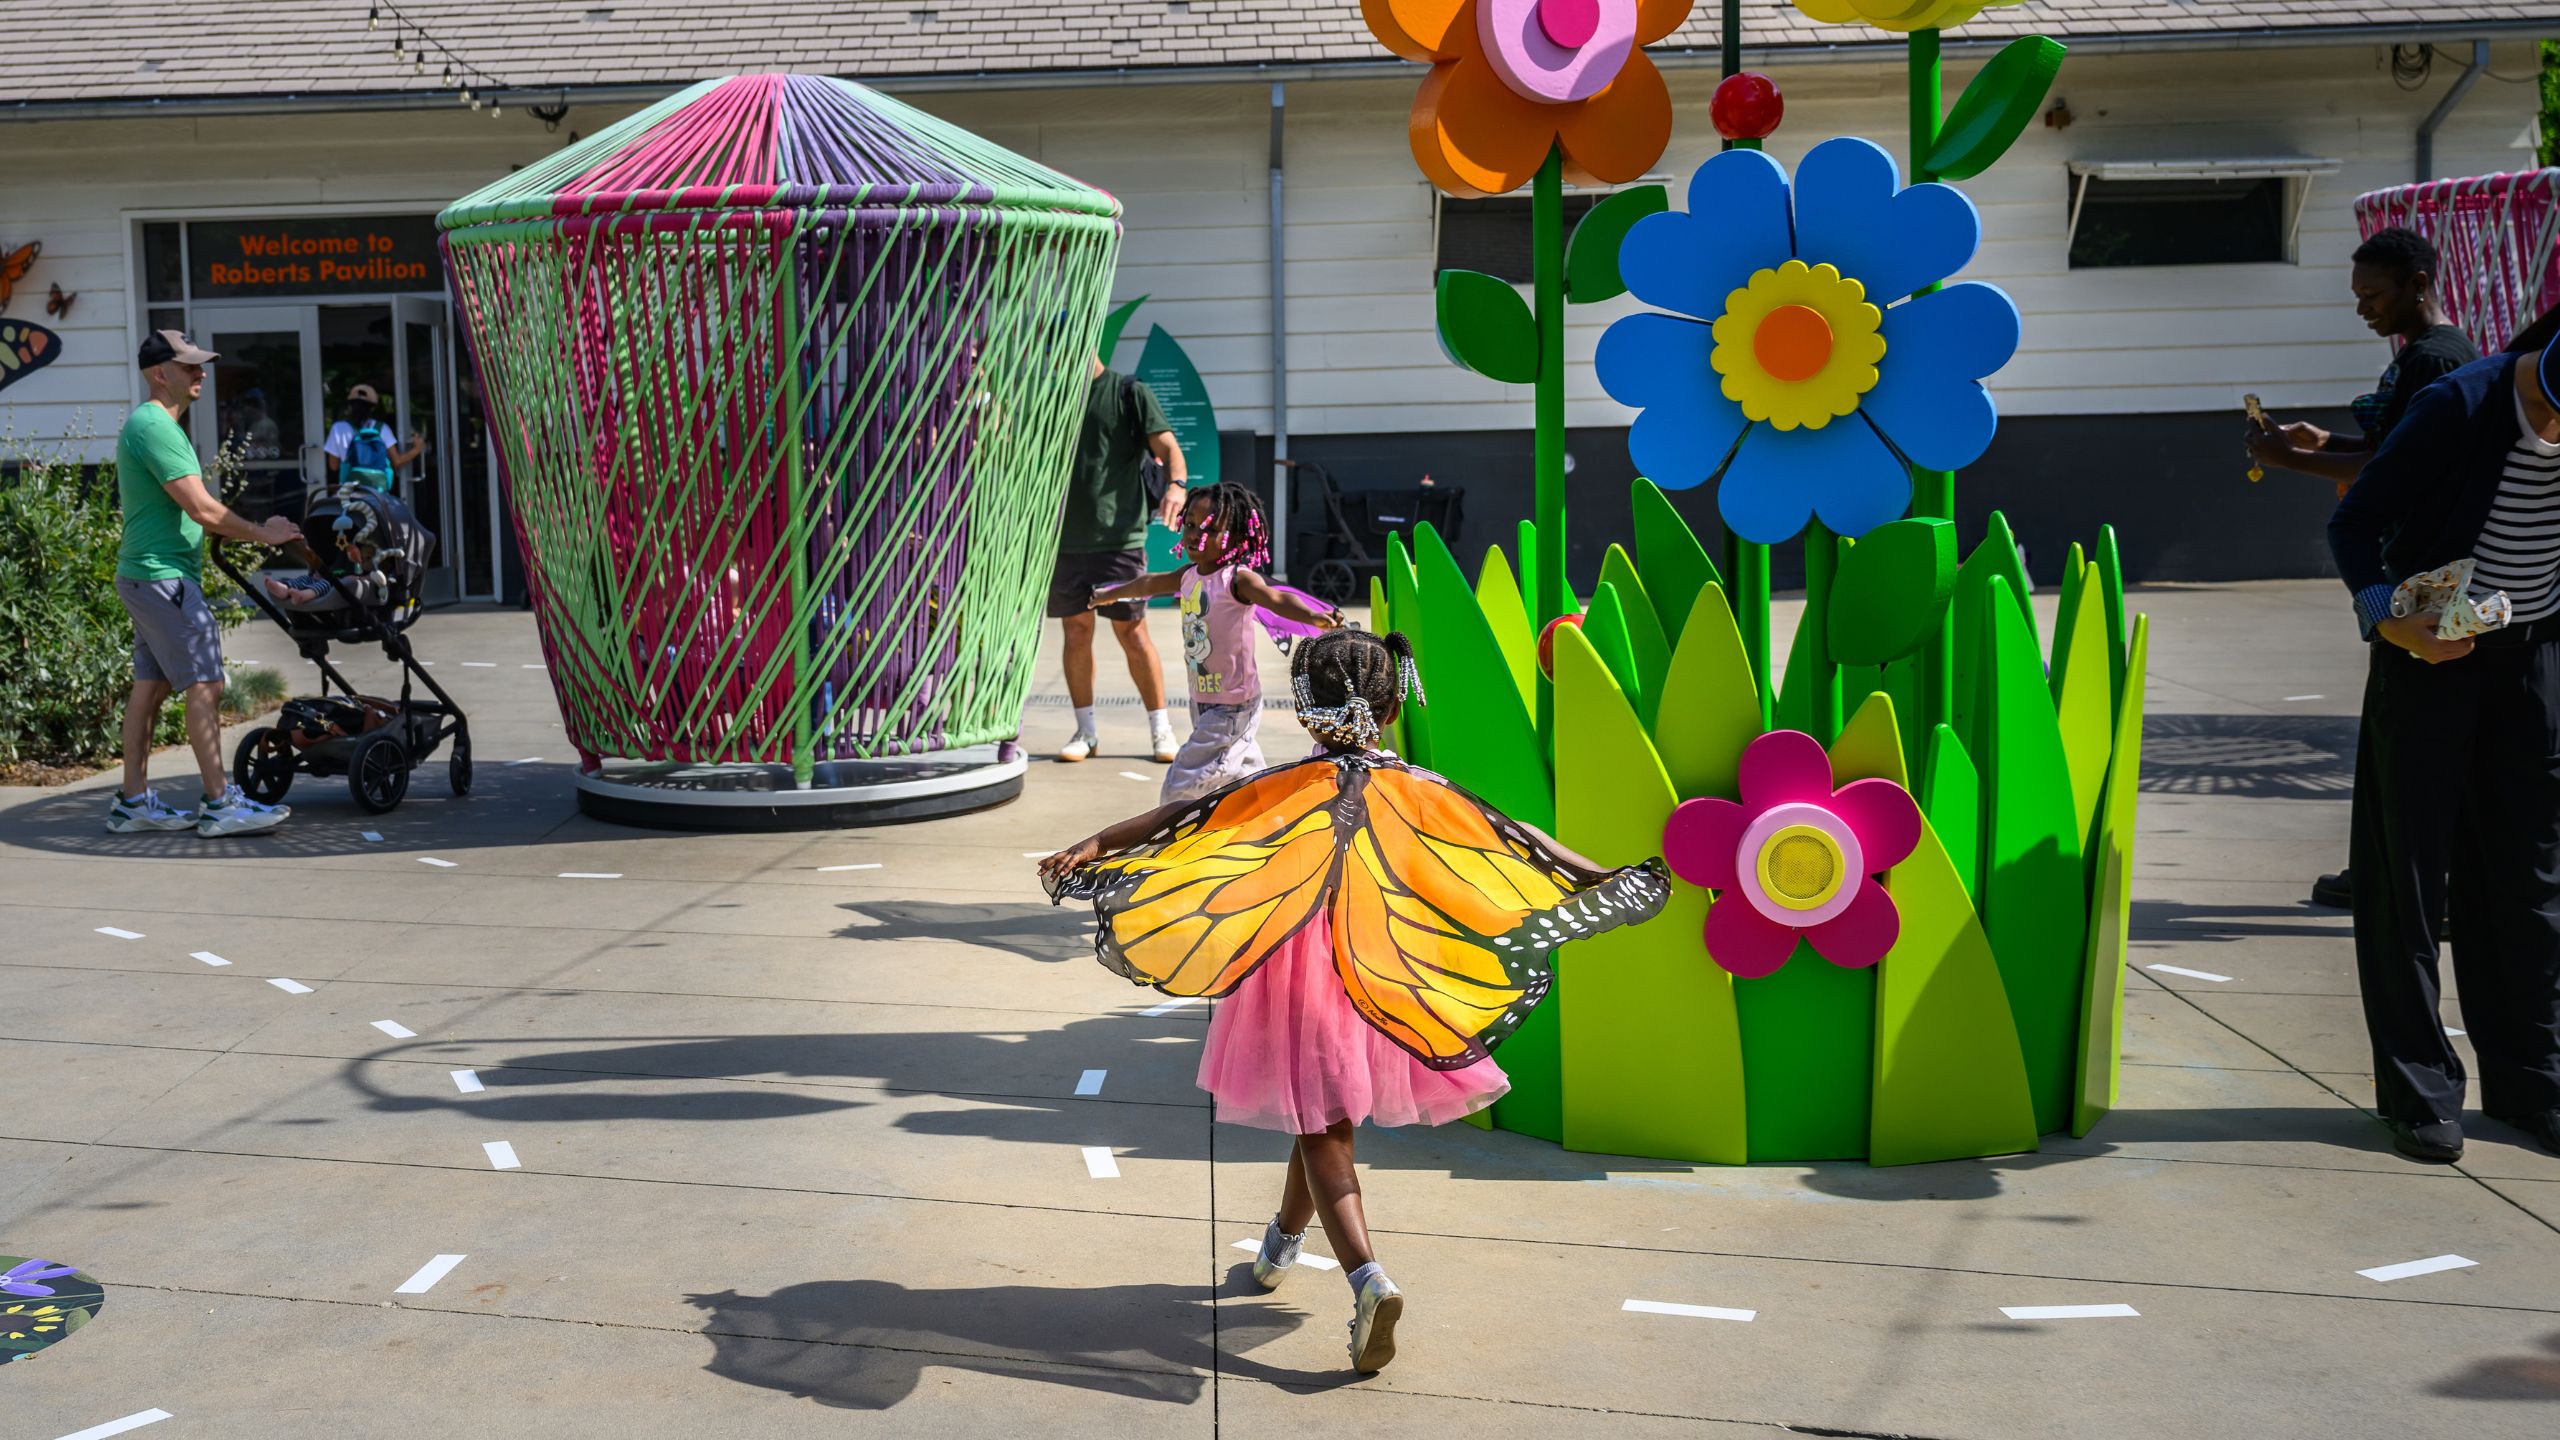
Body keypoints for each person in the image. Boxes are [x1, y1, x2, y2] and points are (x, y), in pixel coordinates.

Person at [1040, 628, 1669, 1371]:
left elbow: (1185, 824)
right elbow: (1514, 837)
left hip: (1299, 982)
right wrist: (1597, 876)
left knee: (1320, 1127)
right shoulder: (1419, 787)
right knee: (1321, 1122)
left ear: (1308, 714)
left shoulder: (1283, 785)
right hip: (1382, 974)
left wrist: (1098, 845)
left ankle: (1368, 1279)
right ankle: (1280, 1243)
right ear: (1395, 702)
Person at [2327, 326, 2560, 1164]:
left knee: (2530, 877)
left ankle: (2535, 1079)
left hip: (2532, 657)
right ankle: (2420, 1091)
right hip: (2429, 661)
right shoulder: (2458, 405)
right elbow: (2354, 527)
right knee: (2411, 884)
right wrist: (2393, 623)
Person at [2248, 226, 2481, 912]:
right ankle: (2384, 868)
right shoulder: (2423, 359)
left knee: (2415, 735)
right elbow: (2385, 446)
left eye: (2373, 295)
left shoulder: (2438, 364)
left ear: (2418, 283)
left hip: (2430, 580)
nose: (2363, 310)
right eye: (2357, 297)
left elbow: (2393, 474)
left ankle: (2421, 888)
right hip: (2414, 573)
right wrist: (2326, 443)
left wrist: (2289, 460)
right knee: (2392, 732)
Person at [106, 329, 301, 839]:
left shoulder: (155, 425)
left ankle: (133, 802)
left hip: (149, 576)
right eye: (190, 365)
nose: (201, 373)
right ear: (159, 373)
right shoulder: (154, 426)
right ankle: (219, 805)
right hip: (163, 578)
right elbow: (202, 508)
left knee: (150, 689)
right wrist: (266, 534)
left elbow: (195, 510)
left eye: (200, 364)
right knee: (206, 684)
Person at [1088, 481, 1344, 804]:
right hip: (1204, 699)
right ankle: (1269, 816)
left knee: (1181, 783)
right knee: (1243, 772)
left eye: (1209, 528)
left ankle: (1168, 836)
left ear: (1235, 537)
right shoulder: (1189, 576)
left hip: (1232, 704)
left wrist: (1312, 616)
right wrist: (1109, 595)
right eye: (1191, 525)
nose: (1196, 534)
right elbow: (1149, 583)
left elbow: (1275, 597)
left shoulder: (1236, 579)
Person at [1047, 352, 1186, 763]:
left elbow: (1167, 445)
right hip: (1064, 540)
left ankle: (1161, 729)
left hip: (1120, 536)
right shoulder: (1050, 398)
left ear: (1089, 343)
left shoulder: (1127, 391)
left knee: (1133, 632)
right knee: (1076, 632)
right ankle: (1085, 732)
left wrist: (1176, 485)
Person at [323, 382, 424, 493]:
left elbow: (334, 466)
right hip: (377, 494)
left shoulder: (338, 428)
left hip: (349, 493)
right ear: (373, 407)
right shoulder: (382, 428)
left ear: (350, 405)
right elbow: (397, 461)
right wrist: (417, 448)